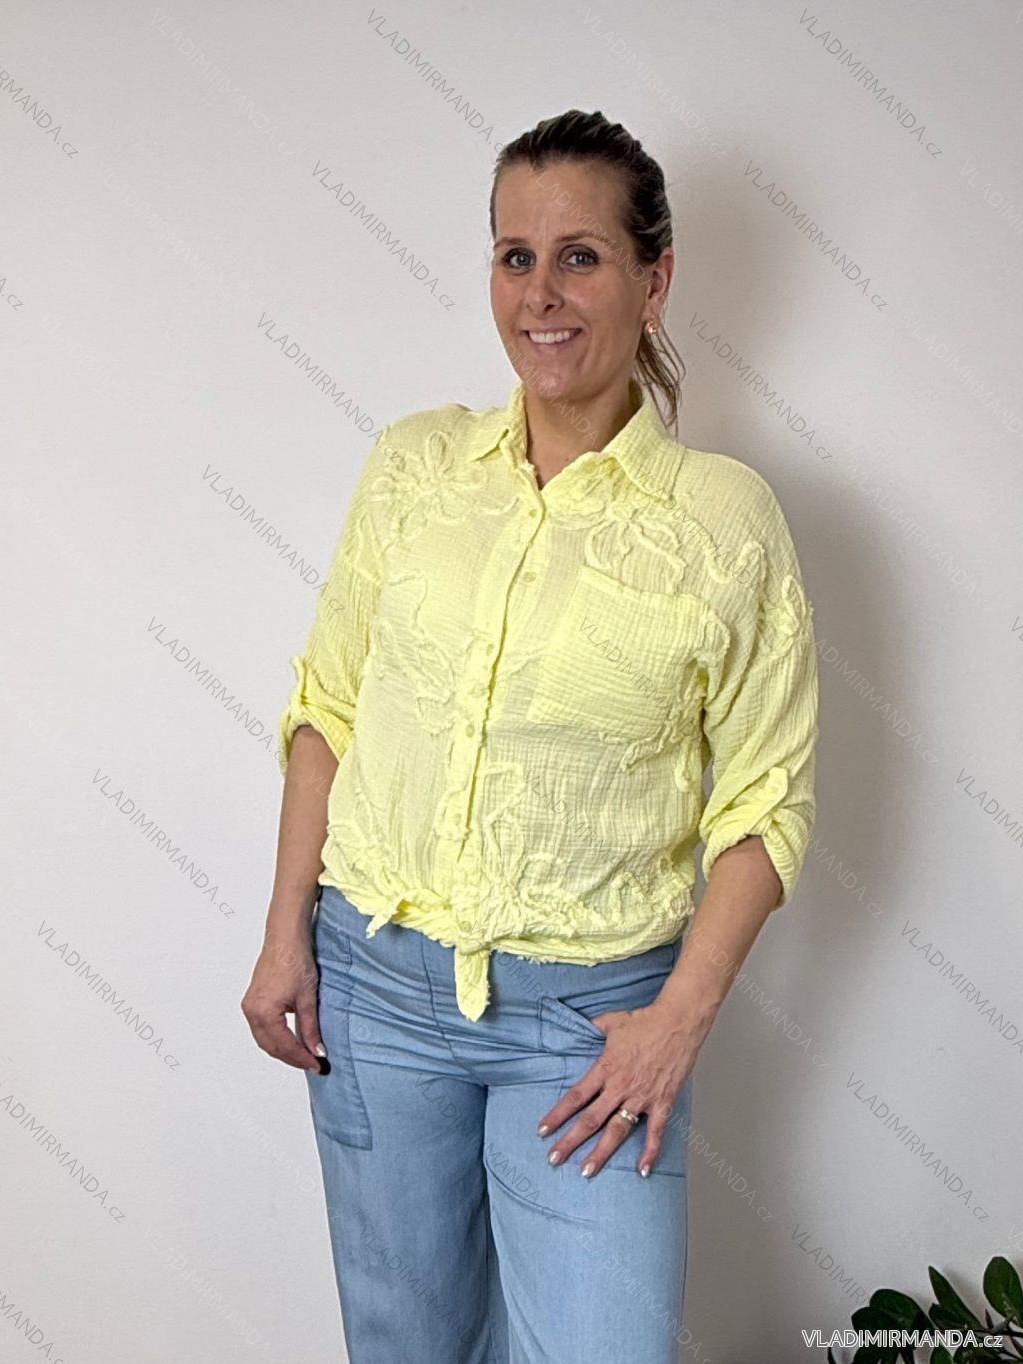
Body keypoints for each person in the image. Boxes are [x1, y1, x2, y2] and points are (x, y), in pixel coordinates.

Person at [242, 107, 819, 1363]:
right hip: (376, 991)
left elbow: (765, 805)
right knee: (408, 1344)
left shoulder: (722, 521)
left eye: (580, 256)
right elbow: (327, 707)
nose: (540, 295)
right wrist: (286, 930)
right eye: (516, 256)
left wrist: (678, 1018)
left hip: (593, 1025)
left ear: (654, 280)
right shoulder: (414, 468)